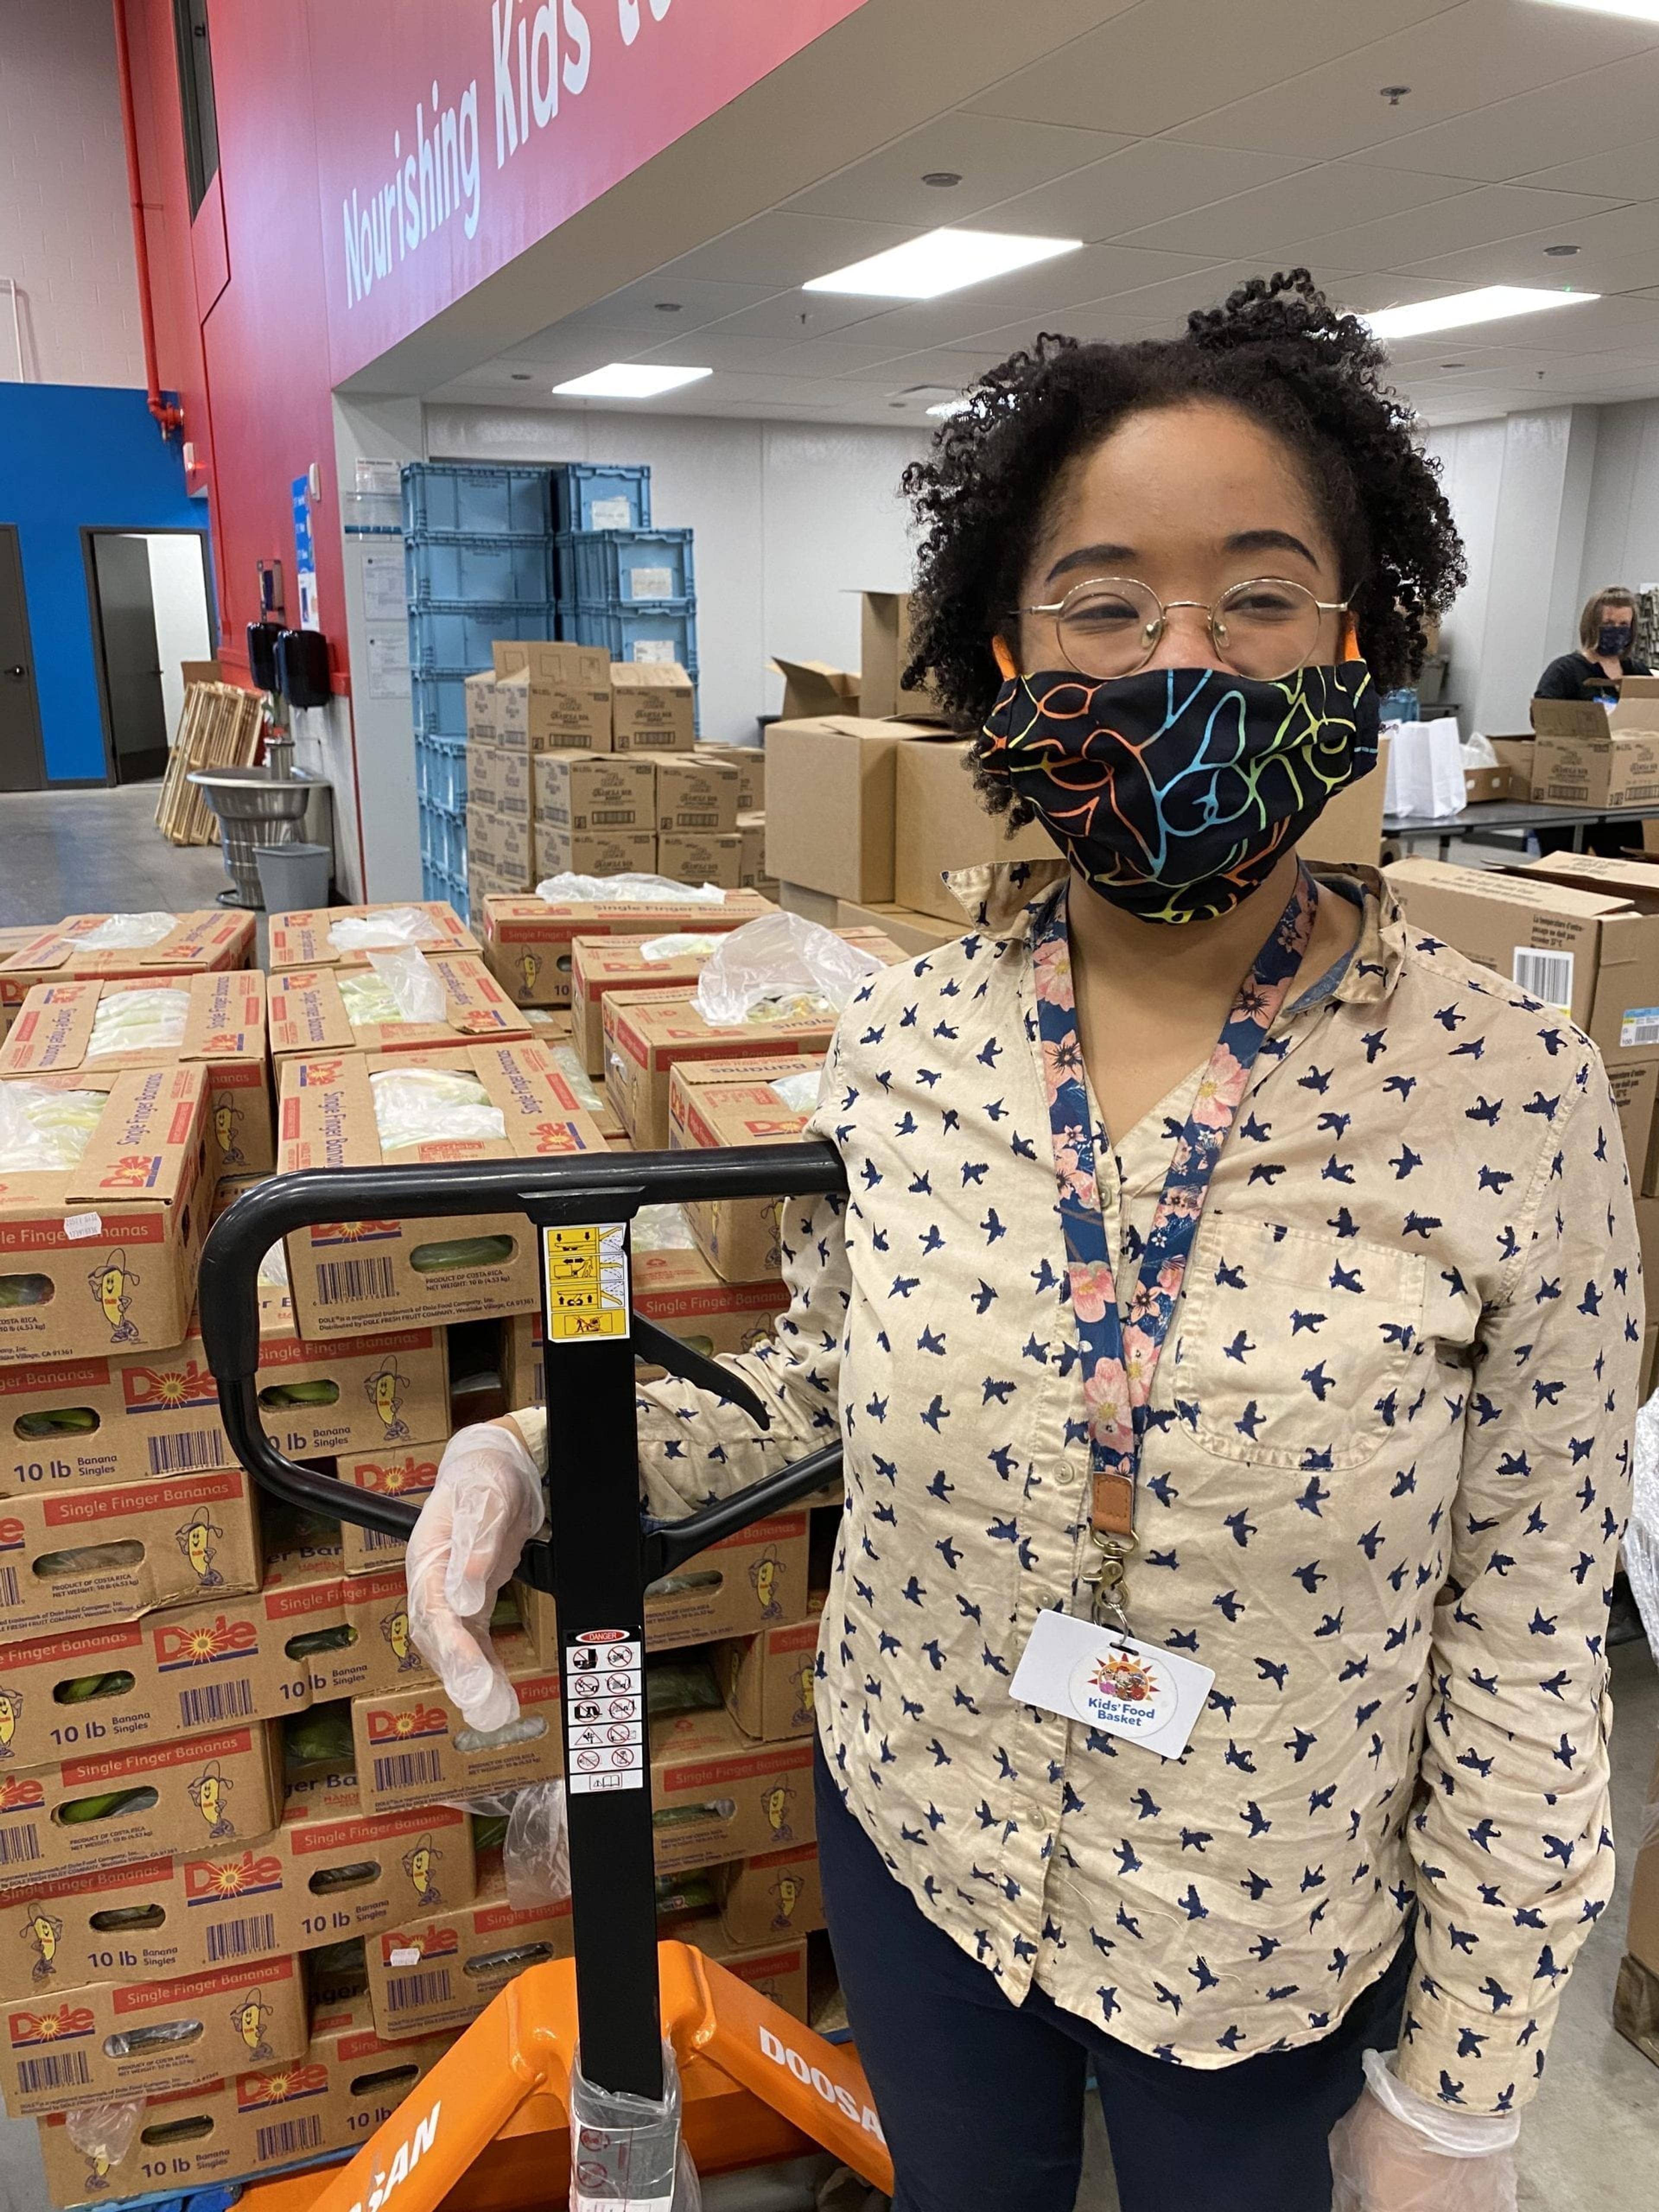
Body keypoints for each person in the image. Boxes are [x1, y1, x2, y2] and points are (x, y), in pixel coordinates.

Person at [406, 271, 1639, 2212]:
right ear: (1004, 655)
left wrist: (1461, 2087)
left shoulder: (1504, 1093)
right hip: (925, 1845)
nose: (1177, 659)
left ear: (1354, 637)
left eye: (1253, 595)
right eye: (1104, 603)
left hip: (1264, 1934)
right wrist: (533, 1449)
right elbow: (813, 1386)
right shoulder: (899, 1042)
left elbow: (1530, 1631)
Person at [1535, 586, 1650, 705]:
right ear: (1592, 625)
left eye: (1624, 624)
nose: (1617, 630)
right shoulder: (1565, 671)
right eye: (1609, 624)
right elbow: (1542, 716)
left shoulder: (1639, 673)